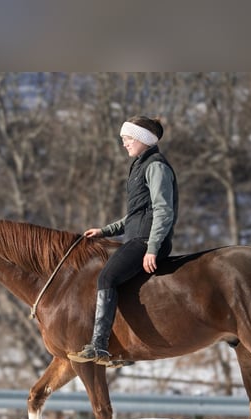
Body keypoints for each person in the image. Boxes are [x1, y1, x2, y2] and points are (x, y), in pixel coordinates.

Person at [68, 115, 179, 366]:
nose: (124, 144)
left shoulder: (156, 166)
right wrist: (105, 231)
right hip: (138, 236)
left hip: (147, 240)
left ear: (142, 139)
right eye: (123, 139)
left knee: (106, 278)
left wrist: (152, 248)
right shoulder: (140, 164)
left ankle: (100, 346)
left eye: (127, 138)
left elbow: (163, 210)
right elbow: (137, 214)